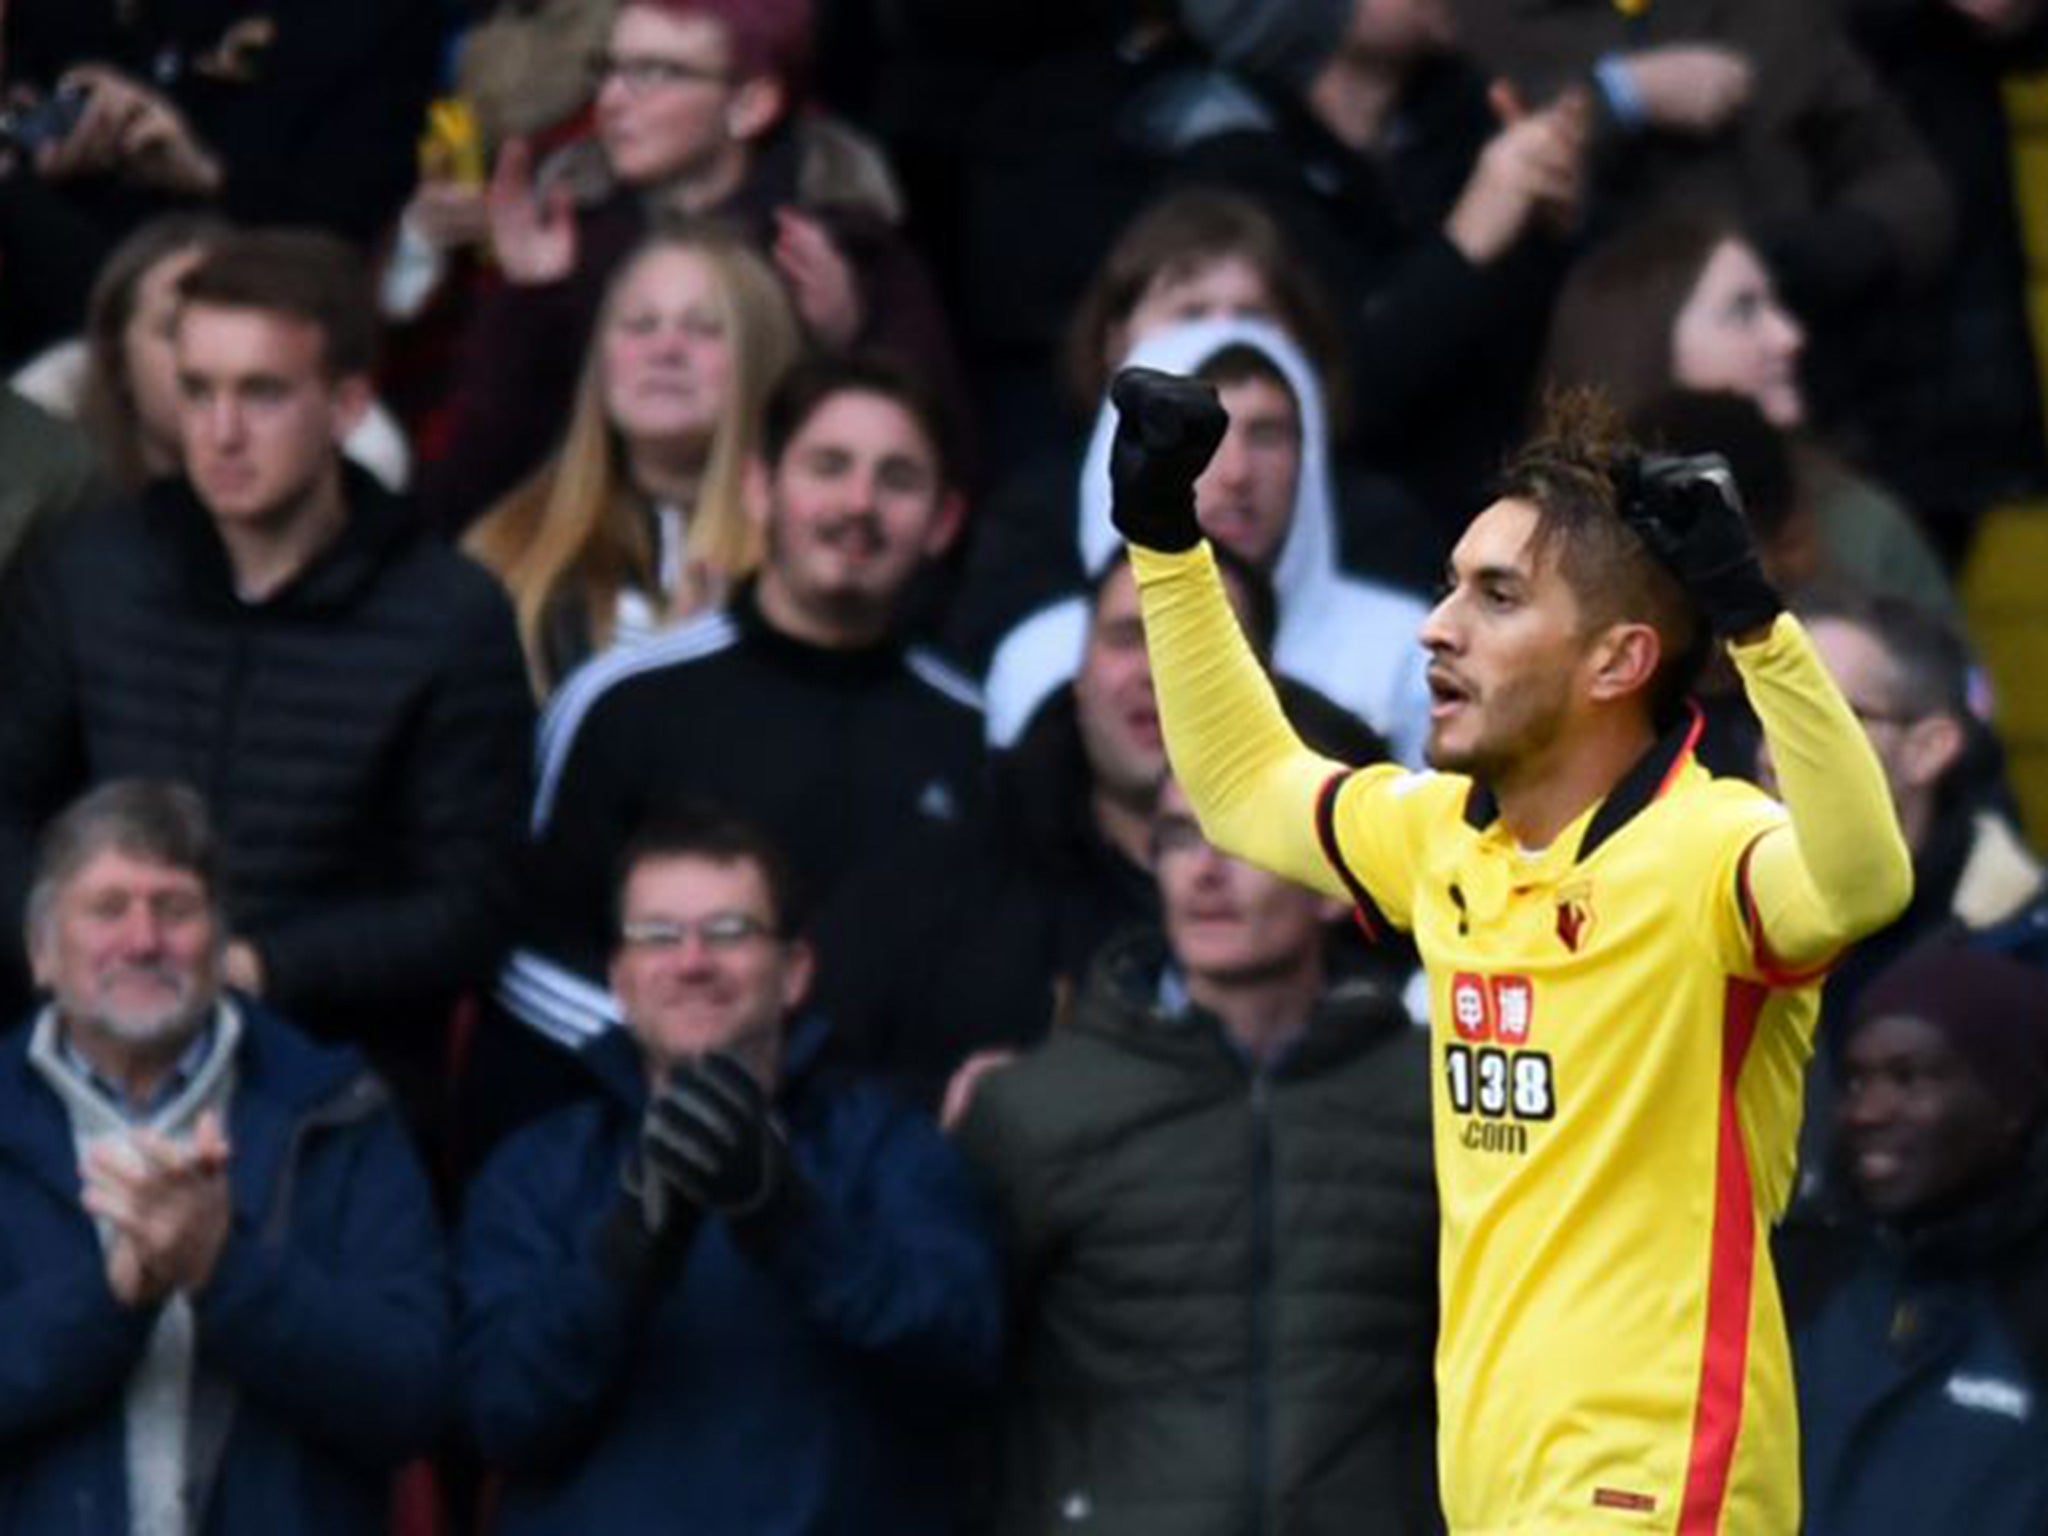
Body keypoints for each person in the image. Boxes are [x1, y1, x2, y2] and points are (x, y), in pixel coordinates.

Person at [1109, 365, 1913, 1530]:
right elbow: (1243, 786)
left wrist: (1753, 622)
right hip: (1493, 1482)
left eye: (1494, 596)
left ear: (1615, 660)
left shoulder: (1709, 849)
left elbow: (1861, 880)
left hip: (1656, 1479)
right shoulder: (1443, 841)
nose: (1436, 626)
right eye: (1447, 588)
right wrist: (1162, 541)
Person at [0, 228, 535, 1137]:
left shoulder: (448, 614)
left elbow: (468, 906)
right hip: (73, 1085)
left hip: (327, 1107)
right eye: (198, 390)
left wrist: (251, 967)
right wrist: (73, 951)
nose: (221, 433)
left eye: (262, 393)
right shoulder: (91, 575)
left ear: (347, 404)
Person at [457, 807, 1003, 1533]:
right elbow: (500, 1416)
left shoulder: (883, 1146)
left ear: (795, 971)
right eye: (657, 936)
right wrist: (625, 1257)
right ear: (620, 978)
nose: (691, 962)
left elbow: (962, 1359)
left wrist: (785, 1217)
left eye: (728, 932)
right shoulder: (544, 1168)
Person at [486, 352, 982, 1114]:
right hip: (640, 1150)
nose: (859, 503)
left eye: (898, 479)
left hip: (893, 1172)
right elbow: (525, 954)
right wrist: (709, 1057)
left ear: (944, 521)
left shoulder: (974, 735)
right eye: (828, 466)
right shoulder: (623, 701)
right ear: (758, 486)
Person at [954, 766, 1439, 1534]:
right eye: (1180, 838)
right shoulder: (1035, 1106)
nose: (1205, 871)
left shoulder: (1437, 1096)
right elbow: (948, 1372)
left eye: (1242, 838)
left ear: (1336, 884)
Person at [0, 779, 450, 1533]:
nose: (143, 939)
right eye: (108, 908)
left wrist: (223, 1271)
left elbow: (413, 1397)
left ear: (219, 945)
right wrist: (111, 1299)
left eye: (174, 908)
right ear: (42, 952)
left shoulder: (337, 1112)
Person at [427, 0, 961, 519]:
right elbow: (475, 484)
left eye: (653, 72)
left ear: (749, 105)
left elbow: (939, 480)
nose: (610, 98)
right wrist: (532, 299)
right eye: (608, 68)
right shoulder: (565, 230)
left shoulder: (846, 246)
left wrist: (852, 341)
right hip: (596, 565)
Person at [984, 316, 1433, 764]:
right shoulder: (1036, 660)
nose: (1237, 473)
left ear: (1308, 457)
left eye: (1266, 435)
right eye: (1201, 436)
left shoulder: (1402, 652)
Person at [1762, 589, 2048, 1208]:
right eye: (1768, 713)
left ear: (1930, 748)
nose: (1772, 750)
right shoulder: (1714, 915)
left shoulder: (2025, 951)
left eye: (1820, 715)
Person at [1779, 936, 2048, 1536]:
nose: (1868, 1110)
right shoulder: (1804, 1275)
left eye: (1910, 1079)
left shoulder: (2030, 1302)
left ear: (2012, 1101)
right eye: (1856, 1080)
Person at [462, 225, 803, 696]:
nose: (666, 350)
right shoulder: (505, 551)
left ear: (762, 359)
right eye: (640, 324)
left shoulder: (806, 564)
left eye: (705, 329)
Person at [9, 213, 412, 494]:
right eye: (173, 330)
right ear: (118, 358)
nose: (200, 359)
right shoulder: (41, 457)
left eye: (229, 331)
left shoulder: (355, 472)